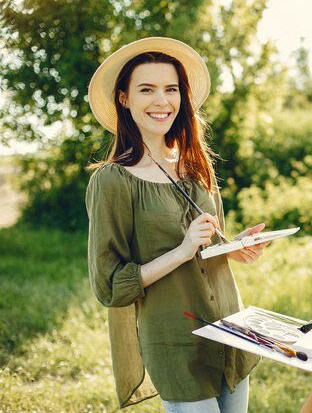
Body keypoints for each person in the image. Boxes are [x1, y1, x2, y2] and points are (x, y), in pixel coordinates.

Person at [86, 37, 265, 413]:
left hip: (231, 327)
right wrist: (182, 251)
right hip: (176, 339)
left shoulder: (198, 165)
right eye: (146, 89)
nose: (161, 101)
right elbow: (110, 286)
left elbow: (210, 246)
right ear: (124, 99)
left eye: (171, 89)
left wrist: (237, 249)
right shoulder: (113, 181)